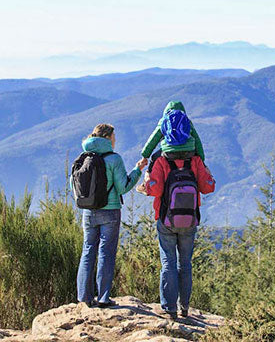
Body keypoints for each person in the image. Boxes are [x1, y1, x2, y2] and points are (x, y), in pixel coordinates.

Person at [75, 123, 147, 307]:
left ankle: (84, 297)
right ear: (107, 137)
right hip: (110, 212)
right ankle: (103, 298)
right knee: (106, 253)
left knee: (88, 251)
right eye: (114, 136)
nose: (115, 140)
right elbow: (124, 186)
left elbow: (74, 186)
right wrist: (138, 170)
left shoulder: (82, 158)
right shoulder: (114, 159)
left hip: (88, 212)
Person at [146, 152, 215, 319]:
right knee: (185, 264)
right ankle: (184, 307)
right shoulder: (195, 160)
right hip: (189, 221)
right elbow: (208, 187)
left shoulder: (161, 161)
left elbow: (155, 190)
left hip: (166, 220)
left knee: (168, 263)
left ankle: (170, 308)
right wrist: (208, 172)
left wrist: (148, 178)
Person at [137, 100, 205, 194]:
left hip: (169, 153)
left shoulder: (164, 121)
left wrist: (145, 155)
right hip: (188, 152)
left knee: (154, 158)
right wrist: (201, 159)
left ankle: (146, 183)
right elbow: (197, 140)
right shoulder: (187, 121)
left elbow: (153, 139)